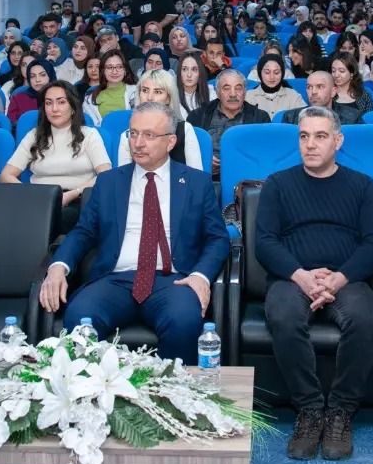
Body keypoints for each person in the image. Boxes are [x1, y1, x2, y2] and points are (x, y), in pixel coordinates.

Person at [40, 102, 231, 364]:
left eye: (149, 135)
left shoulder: (197, 183)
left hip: (173, 279)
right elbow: (83, 232)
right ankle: (95, 398)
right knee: (79, 316)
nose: (138, 143)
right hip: (116, 278)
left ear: (171, 141)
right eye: (133, 133)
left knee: (184, 320)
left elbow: (218, 238)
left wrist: (200, 276)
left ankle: (171, 398)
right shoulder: (109, 182)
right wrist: (58, 266)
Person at [256, 106, 373, 460]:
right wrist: (303, 277)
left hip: (346, 277)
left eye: (320, 136)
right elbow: (264, 242)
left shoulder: (361, 185)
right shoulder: (279, 184)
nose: (310, 144)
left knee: (365, 319)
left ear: (338, 141)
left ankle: (340, 410)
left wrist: (337, 280)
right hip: (293, 276)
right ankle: (310, 409)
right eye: (304, 136)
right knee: (282, 315)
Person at [0, 80, 111, 231]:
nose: (54, 109)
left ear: (72, 107)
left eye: (61, 102)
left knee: (54, 220)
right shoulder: (34, 136)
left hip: (77, 199)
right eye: (48, 103)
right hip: (39, 200)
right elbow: (6, 175)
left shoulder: (89, 135)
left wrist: (73, 194)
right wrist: (30, 195)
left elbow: (105, 175)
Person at [186, 69, 271, 179]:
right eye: (226, 88)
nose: (233, 94)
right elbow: (187, 151)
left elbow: (263, 156)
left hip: (245, 179)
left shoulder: (260, 118)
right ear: (217, 92)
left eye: (238, 88)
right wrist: (203, 159)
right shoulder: (197, 117)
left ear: (245, 91)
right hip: (206, 178)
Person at [117, 70, 203, 170]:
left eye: (157, 92)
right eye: (145, 90)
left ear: (168, 98)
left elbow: (197, 178)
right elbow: (122, 179)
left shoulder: (185, 130)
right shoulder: (127, 136)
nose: (149, 97)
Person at [279, 71, 362, 126]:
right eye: (309, 87)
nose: (313, 91)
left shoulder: (353, 118)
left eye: (320, 87)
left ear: (333, 91)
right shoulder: (290, 118)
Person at [83, 48, 138, 125]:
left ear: (125, 70)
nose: (114, 71)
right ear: (103, 71)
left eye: (119, 67)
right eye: (109, 67)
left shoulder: (137, 92)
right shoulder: (90, 98)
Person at [246, 55, 306, 120]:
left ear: (282, 74)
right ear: (260, 73)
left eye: (276, 73)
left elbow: (305, 118)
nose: (272, 77)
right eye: (267, 72)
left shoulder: (293, 95)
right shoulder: (248, 96)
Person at [6, 59, 56, 126]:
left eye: (42, 75)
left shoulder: (61, 98)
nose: (37, 80)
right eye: (32, 76)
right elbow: (11, 126)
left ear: (50, 76)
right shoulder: (17, 99)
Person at [329, 52, 373, 117]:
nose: (336, 75)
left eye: (341, 71)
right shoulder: (327, 94)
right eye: (333, 71)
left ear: (351, 74)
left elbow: (368, 121)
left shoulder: (364, 95)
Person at [177, 51, 215, 120]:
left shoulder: (211, 93)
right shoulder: (172, 95)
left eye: (194, 69)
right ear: (179, 72)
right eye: (184, 69)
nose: (189, 75)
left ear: (200, 73)